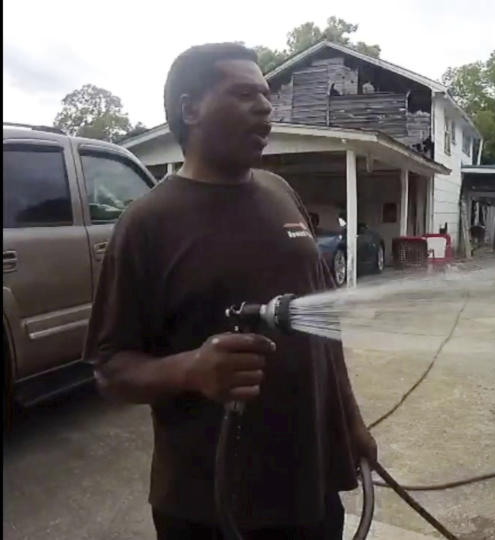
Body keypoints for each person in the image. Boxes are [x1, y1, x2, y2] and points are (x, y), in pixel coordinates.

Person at [83, 43, 376, 539]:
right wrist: (191, 369)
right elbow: (111, 371)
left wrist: (351, 423)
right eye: (243, 94)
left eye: (266, 95)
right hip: (207, 506)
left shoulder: (282, 194)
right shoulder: (147, 224)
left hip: (309, 491)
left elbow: (324, 328)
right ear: (190, 109)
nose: (265, 107)